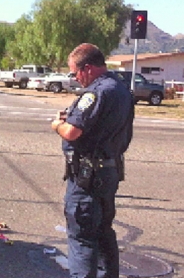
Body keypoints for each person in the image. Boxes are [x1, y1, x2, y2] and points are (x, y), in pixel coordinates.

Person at [50, 43, 134, 278]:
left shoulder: (95, 93)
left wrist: (57, 124)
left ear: (87, 68)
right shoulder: (120, 88)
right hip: (109, 173)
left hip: (88, 179)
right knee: (104, 233)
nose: (75, 78)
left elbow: (72, 132)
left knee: (82, 238)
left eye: (74, 72)